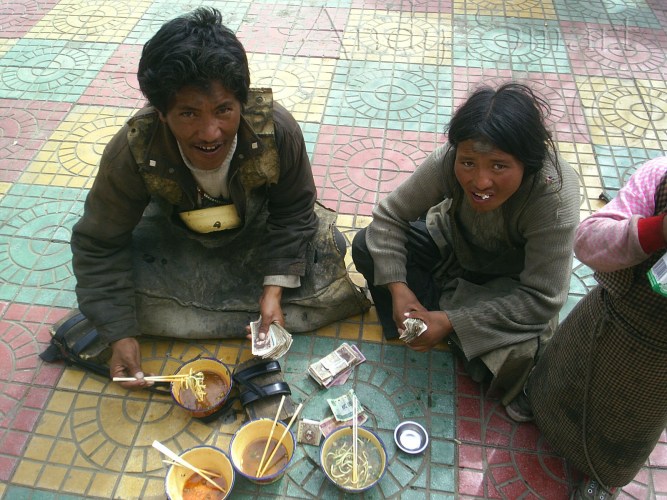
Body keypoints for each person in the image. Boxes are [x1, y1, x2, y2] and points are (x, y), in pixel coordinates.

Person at [69, 7, 369, 389]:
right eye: (188, 114)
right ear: (161, 113)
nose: (210, 132)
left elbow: (294, 212)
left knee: (327, 249)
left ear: (242, 102)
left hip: (254, 233)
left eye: (224, 110)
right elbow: (99, 243)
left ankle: (218, 310)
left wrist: (273, 288)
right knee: (120, 294)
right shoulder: (133, 150)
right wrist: (120, 334)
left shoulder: (277, 130)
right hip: (177, 241)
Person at [352, 83, 580, 415]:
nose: (481, 181)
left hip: (509, 284)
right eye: (469, 163)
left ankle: (444, 320)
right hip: (454, 249)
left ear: (527, 163)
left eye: (499, 166)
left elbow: (543, 298)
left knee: (511, 361)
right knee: (366, 245)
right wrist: (399, 288)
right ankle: (433, 318)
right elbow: (389, 216)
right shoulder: (448, 160)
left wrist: (452, 321)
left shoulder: (553, 196)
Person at [528, 158, 667, 500]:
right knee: (559, 376)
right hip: (608, 317)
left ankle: (604, 476)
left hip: (658, 369)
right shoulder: (659, 176)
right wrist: (656, 230)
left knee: (627, 427)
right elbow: (588, 240)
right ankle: (536, 405)